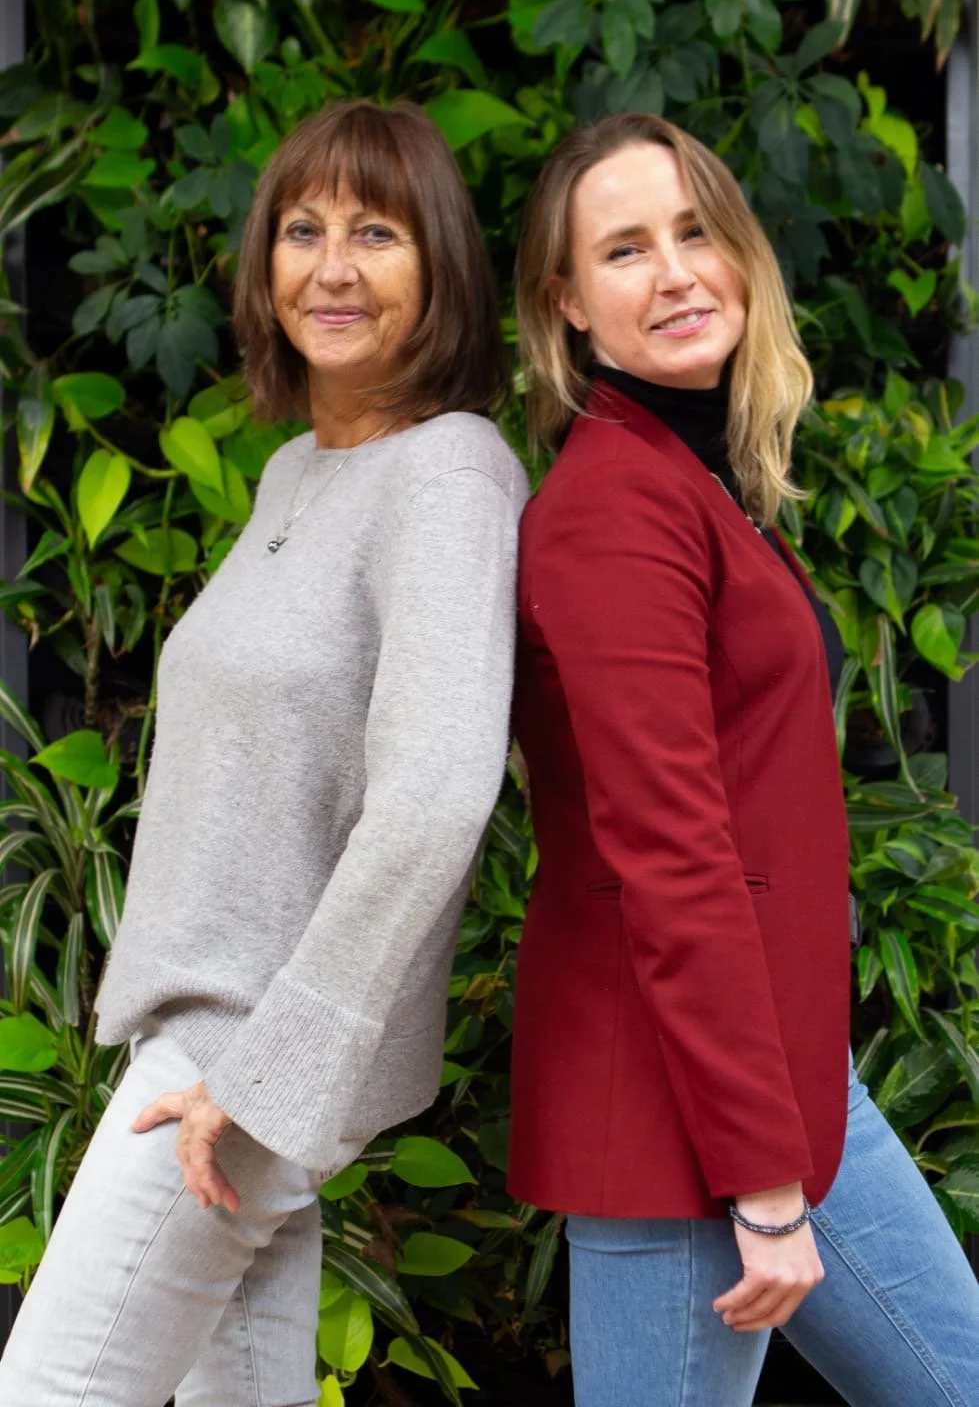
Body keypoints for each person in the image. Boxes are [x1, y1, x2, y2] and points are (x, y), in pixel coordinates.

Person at [0, 99, 528, 1406]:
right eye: (302, 229)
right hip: (215, 1043)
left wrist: (271, 1082)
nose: (331, 267)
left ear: (442, 269)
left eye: (376, 233)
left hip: (247, 1055)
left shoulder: (450, 478)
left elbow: (434, 799)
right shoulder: (297, 469)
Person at [507, 111, 979, 1407]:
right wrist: (761, 1182)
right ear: (566, 307)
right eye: (622, 249)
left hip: (777, 1083)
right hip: (680, 1119)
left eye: (693, 230)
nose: (673, 272)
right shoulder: (609, 511)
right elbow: (666, 852)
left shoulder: (685, 480)